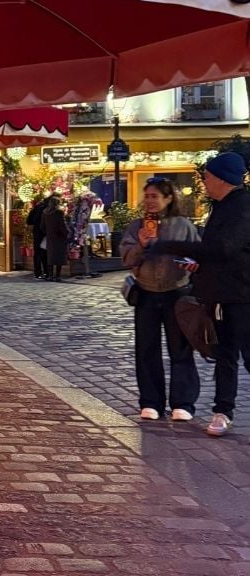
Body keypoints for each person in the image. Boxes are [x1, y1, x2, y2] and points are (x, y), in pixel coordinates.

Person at [152, 151, 250, 437]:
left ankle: (223, 411)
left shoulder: (242, 207)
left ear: (221, 179)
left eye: (207, 177)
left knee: (244, 354)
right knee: (225, 355)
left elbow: (223, 249)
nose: (204, 182)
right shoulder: (222, 206)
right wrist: (198, 265)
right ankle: (223, 411)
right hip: (221, 294)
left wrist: (171, 245)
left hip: (242, 296)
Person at [120, 177, 200, 422]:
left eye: (155, 196)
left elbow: (198, 255)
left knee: (181, 348)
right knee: (147, 349)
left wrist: (189, 265)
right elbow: (126, 259)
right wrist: (141, 246)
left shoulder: (183, 225)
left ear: (168, 199)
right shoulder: (136, 226)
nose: (150, 201)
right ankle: (151, 401)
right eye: (147, 196)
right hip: (146, 293)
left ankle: (183, 402)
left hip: (177, 292)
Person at [41, 196, 70, 282]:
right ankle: (57, 276)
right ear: (57, 204)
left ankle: (50, 275)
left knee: (50, 256)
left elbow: (42, 226)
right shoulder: (58, 212)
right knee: (59, 256)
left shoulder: (45, 212)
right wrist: (66, 233)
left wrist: (47, 232)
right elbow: (62, 225)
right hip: (59, 236)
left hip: (50, 237)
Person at [26, 195, 50, 280]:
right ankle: (47, 272)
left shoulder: (36, 208)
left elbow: (28, 221)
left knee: (37, 253)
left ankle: (37, 272)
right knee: (45, 253)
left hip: (36, 233)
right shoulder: (48, 209)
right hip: (45, 233)